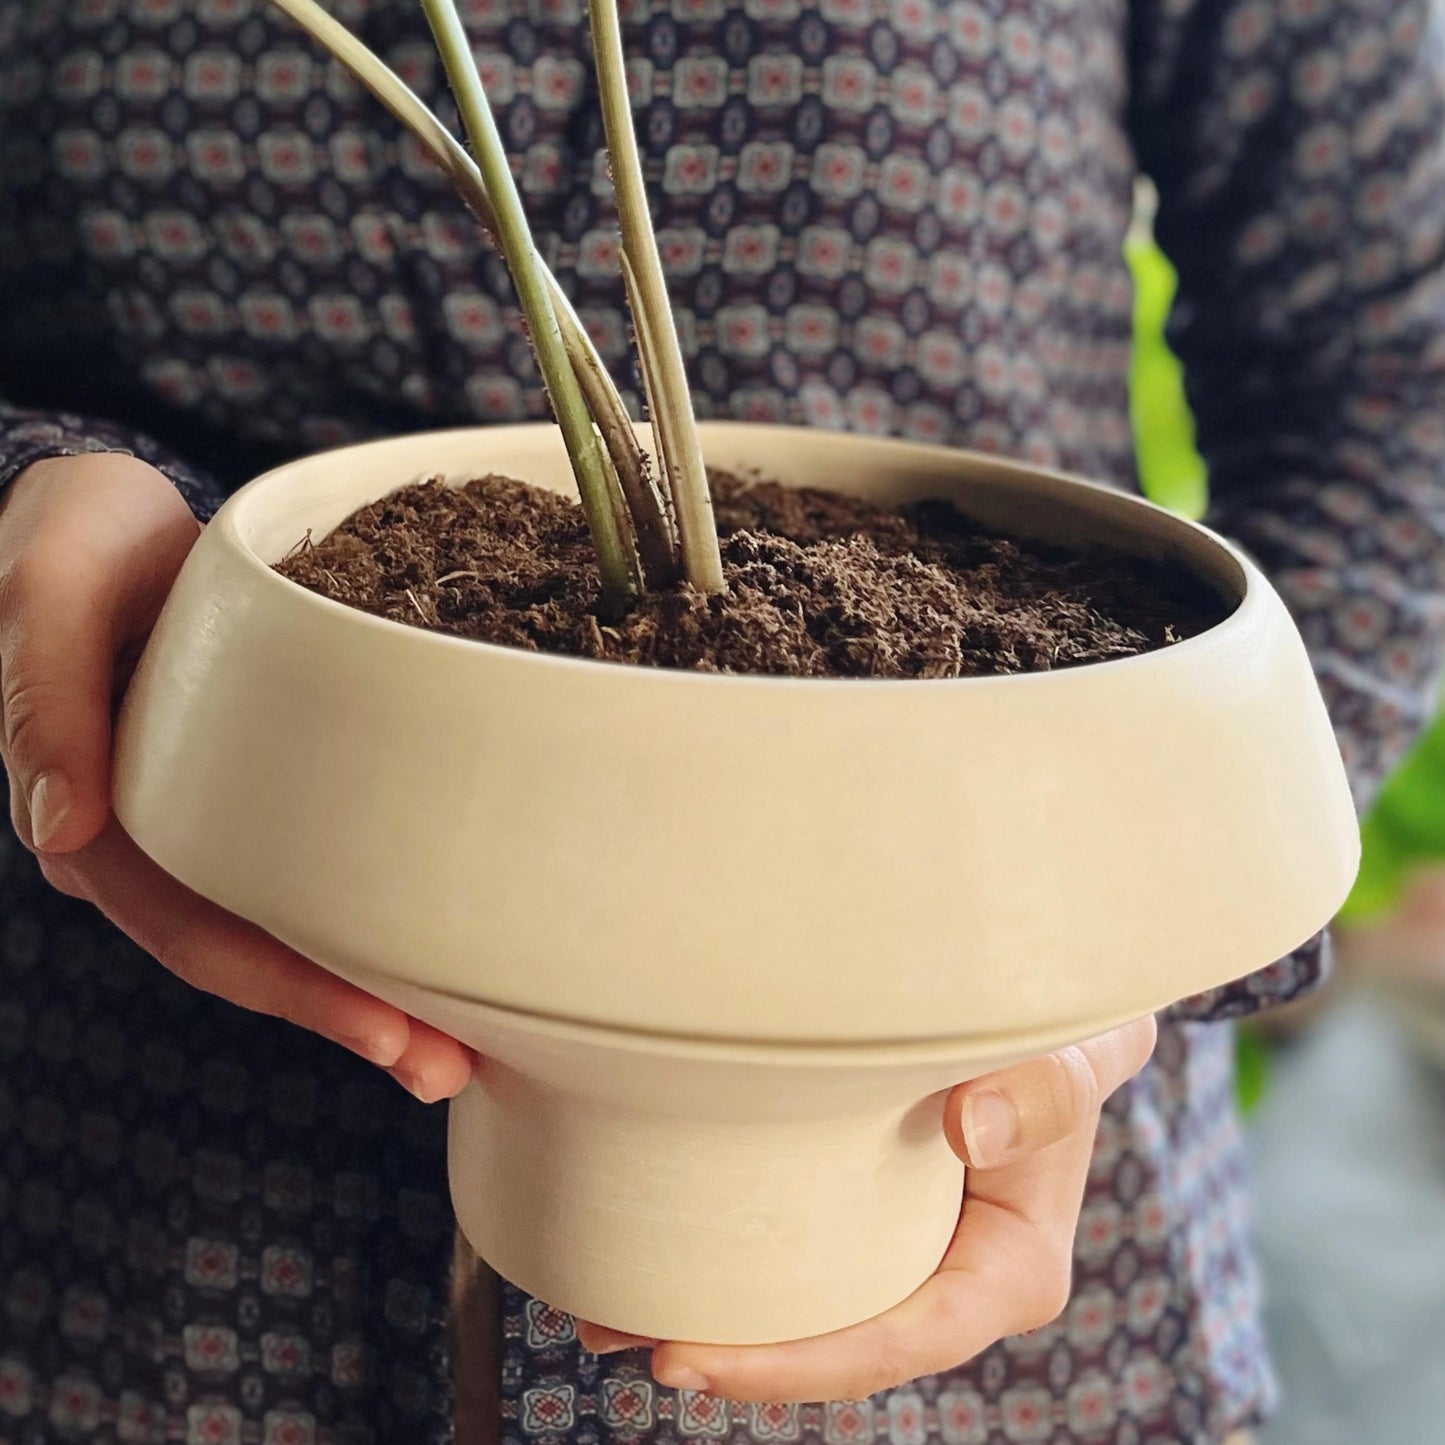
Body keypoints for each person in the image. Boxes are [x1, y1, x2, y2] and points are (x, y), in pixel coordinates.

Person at [0, 0, 1441, 1440]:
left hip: (1010, 1290)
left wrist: (1134, 904)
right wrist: (28, 498)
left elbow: (1400, 362)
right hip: (134, 1246)